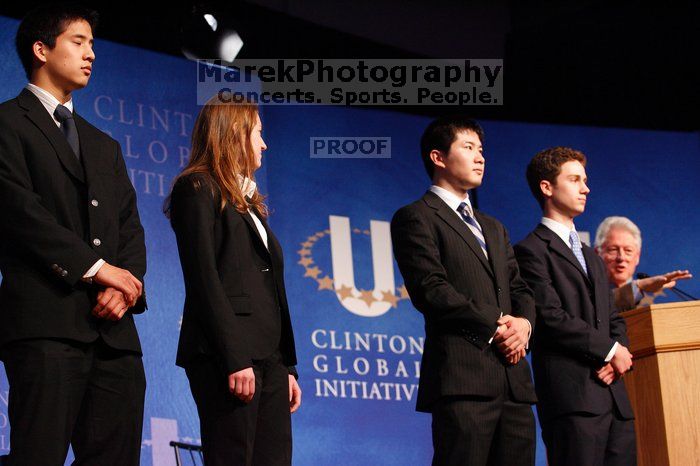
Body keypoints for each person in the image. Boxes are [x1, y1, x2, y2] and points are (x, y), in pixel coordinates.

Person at [0, 5, 146, 465]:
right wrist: (99, 271)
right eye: (78, 42)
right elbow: (20, 213)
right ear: (41, 50)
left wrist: (125, 287)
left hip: (115, 336)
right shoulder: (7, 123)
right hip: (47, 327)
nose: (91, 55)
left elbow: (130, 229)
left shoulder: (104, 144)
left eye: (93, 45)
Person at [390, 116, 537, 466]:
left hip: (514, 381)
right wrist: (498, 323)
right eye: (468, 148)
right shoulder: (416, 217)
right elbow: (431, 289)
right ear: (438, 158)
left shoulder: (494, 227)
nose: (480, 157)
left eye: (481, 150)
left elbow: (520, 288)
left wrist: (525, 325)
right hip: (464, 379)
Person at [167, 96, 301, 466]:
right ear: (234, 133)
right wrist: (234, 357)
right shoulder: (196, 188)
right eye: (258, 133)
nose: (264, 144)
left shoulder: (250, 203)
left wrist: (286, 366)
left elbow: (269, 290)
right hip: (228, 355)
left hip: (269, 359)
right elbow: (204, 279)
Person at [514, 147, 635, 466]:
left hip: (614, 399)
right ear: (547, 187)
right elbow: (550, 317)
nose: (585, 188)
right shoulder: (530, 251)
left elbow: (613, 318)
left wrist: (618, 353)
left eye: (585, 180)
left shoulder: (592, 256)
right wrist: (610, 350)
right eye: (574, 179)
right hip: (573, 400)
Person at [594, 216, 692, 310]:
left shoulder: (656, 303)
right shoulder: (586, 293)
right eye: (613, 249)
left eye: (628, 250)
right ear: (597, 253)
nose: (621, 257)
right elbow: (602, 306)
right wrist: (638, 286)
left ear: (637, 257)